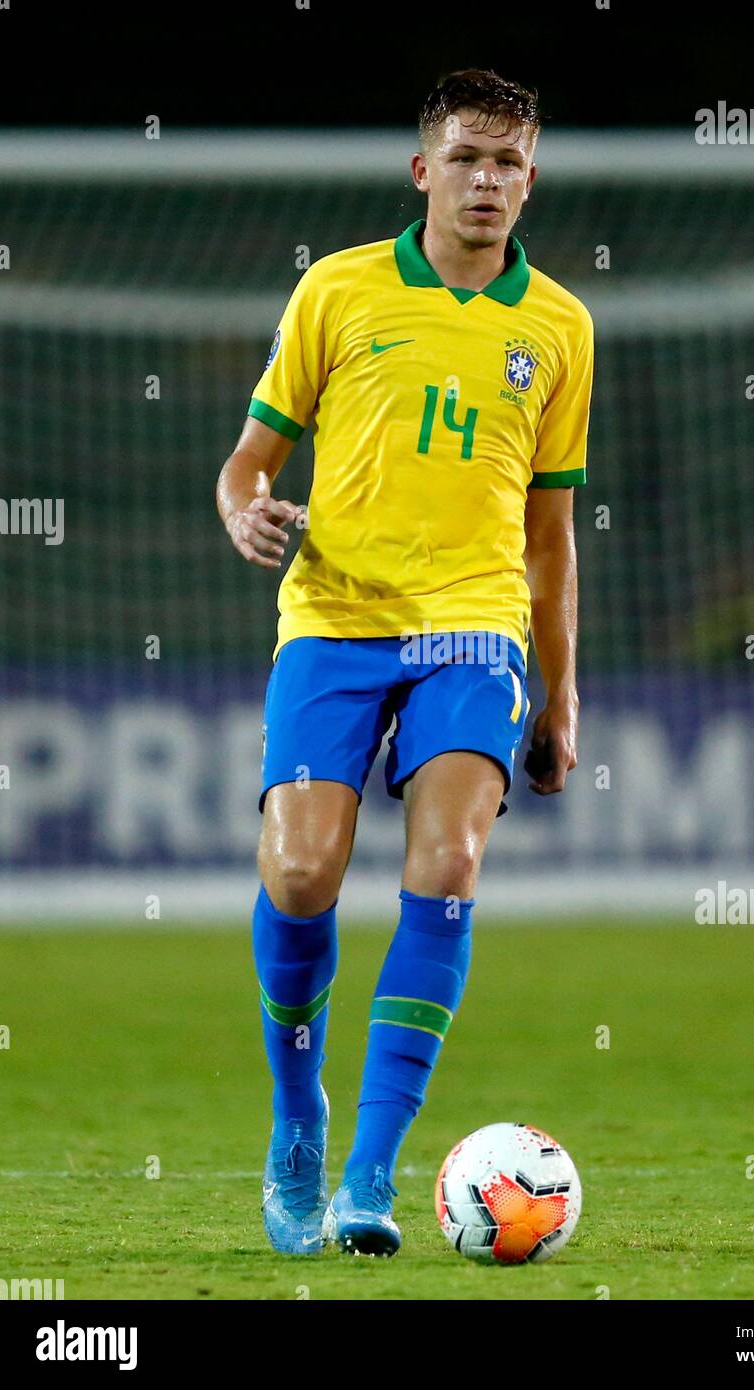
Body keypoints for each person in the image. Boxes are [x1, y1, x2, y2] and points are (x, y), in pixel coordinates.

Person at [215, 68, 593, 1257]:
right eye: (468, 158)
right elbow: (248, 465)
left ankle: (369, 1178)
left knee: (448, 859)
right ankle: (298, 1116)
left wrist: (561, 692)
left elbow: (547, 532)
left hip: (475, 626)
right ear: (422, 170)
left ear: (531, 180)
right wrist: (246, 513)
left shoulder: (559, 328)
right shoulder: (336, 290)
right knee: (301, 871)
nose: (489, 182)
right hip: (332, 613)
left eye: (511, 163)